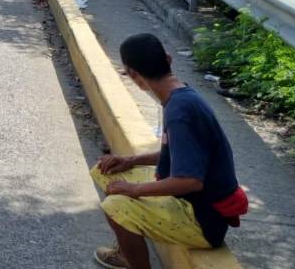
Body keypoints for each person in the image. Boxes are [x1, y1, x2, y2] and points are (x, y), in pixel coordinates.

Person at [92, 33, 247, 269]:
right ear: (168, 59)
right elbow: (178, 152)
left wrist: (134, 190)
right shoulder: (181, 95)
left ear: (133, 74)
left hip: (201, 220)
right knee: (106, 171)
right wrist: (130, 161)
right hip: (193, 203)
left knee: (115, 207)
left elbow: (190, 181)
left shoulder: (180, 112)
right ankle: (127, 251)